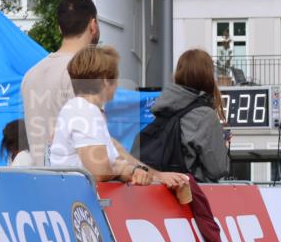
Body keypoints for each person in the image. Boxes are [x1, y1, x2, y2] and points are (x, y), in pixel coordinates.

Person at [46, 45, 186, 189]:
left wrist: (159, 176)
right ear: (106, 81)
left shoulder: (80, 109)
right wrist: (127, 170)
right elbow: (99, 171)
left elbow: (119, 154)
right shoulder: (84, 111)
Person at [21, 0, 100, 165]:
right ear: (93, 25)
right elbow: (92, 144)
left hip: (41, 182)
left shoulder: (30, 75)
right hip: (76, 184)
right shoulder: (84, 74)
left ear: (59, 28)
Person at [147, 49, 230, 182]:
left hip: (157, 190)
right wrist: (223, 145)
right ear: (207, 76)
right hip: (187, 195)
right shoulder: (205, 115)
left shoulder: (163, 108)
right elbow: (218, 169)